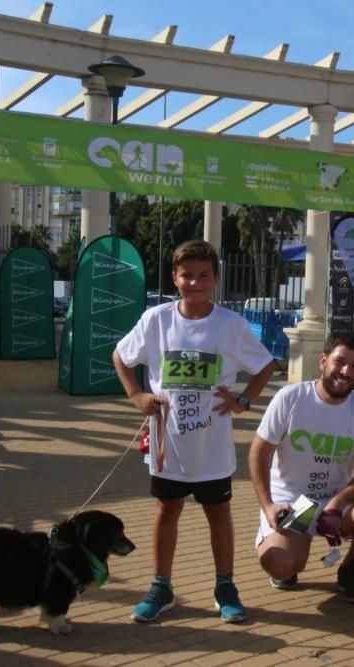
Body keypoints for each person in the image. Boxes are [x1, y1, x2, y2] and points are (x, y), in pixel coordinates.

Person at [113, 240, 276, 624]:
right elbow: (121, 355)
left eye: (204, 275)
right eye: (187, 275)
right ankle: (160, 586)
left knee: (218, 512)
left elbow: (266, 365)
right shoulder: (156, 320)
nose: (195, 282)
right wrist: (136, 394)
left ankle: (225, 586)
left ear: (216, 279)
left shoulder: (231, 326)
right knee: (166, 509)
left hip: (212, 447)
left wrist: (245, 401)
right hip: (169, 445)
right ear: (174, 278)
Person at [249, 330, 354, 603]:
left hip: (334, 505)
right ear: (323, 361)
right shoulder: (290, 397)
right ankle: (292, 554)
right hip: (292, 505)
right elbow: (258, 454)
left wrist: (336, 503)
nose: (345, 371)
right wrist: (268, 505)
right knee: (281, 563)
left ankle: (350, 569)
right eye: (339, 361)